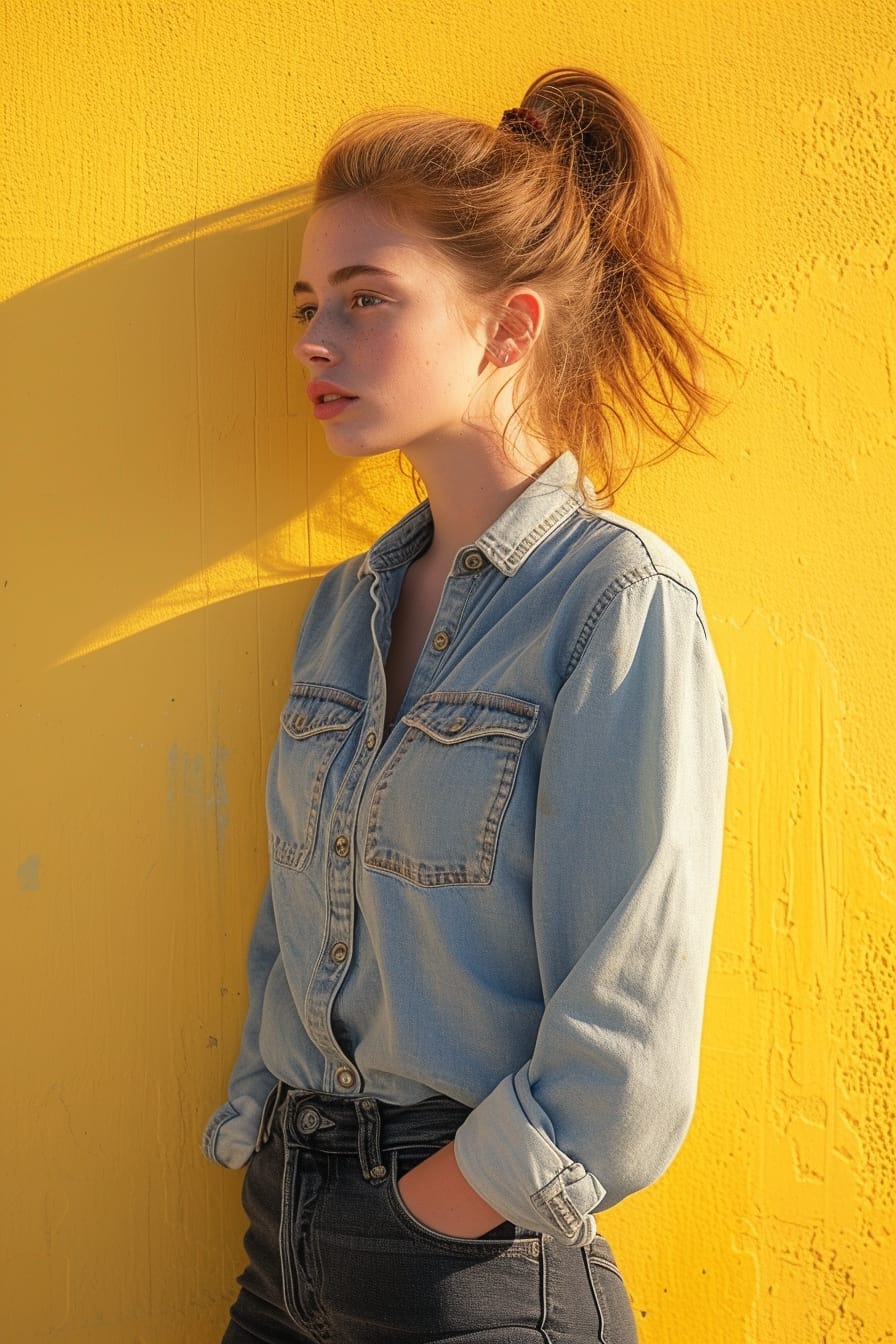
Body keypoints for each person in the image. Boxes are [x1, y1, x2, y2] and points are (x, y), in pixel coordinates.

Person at [202, 68, 732, 1344]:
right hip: (285, 1242)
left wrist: (435, 1203)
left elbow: (629, 1025)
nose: (312, 342)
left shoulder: (614, 604)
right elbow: (295, 919)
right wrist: (267, 1136)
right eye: (309, 305)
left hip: (471, 1265)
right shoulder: (344, 609)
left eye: (367, 301)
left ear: (505, 330)